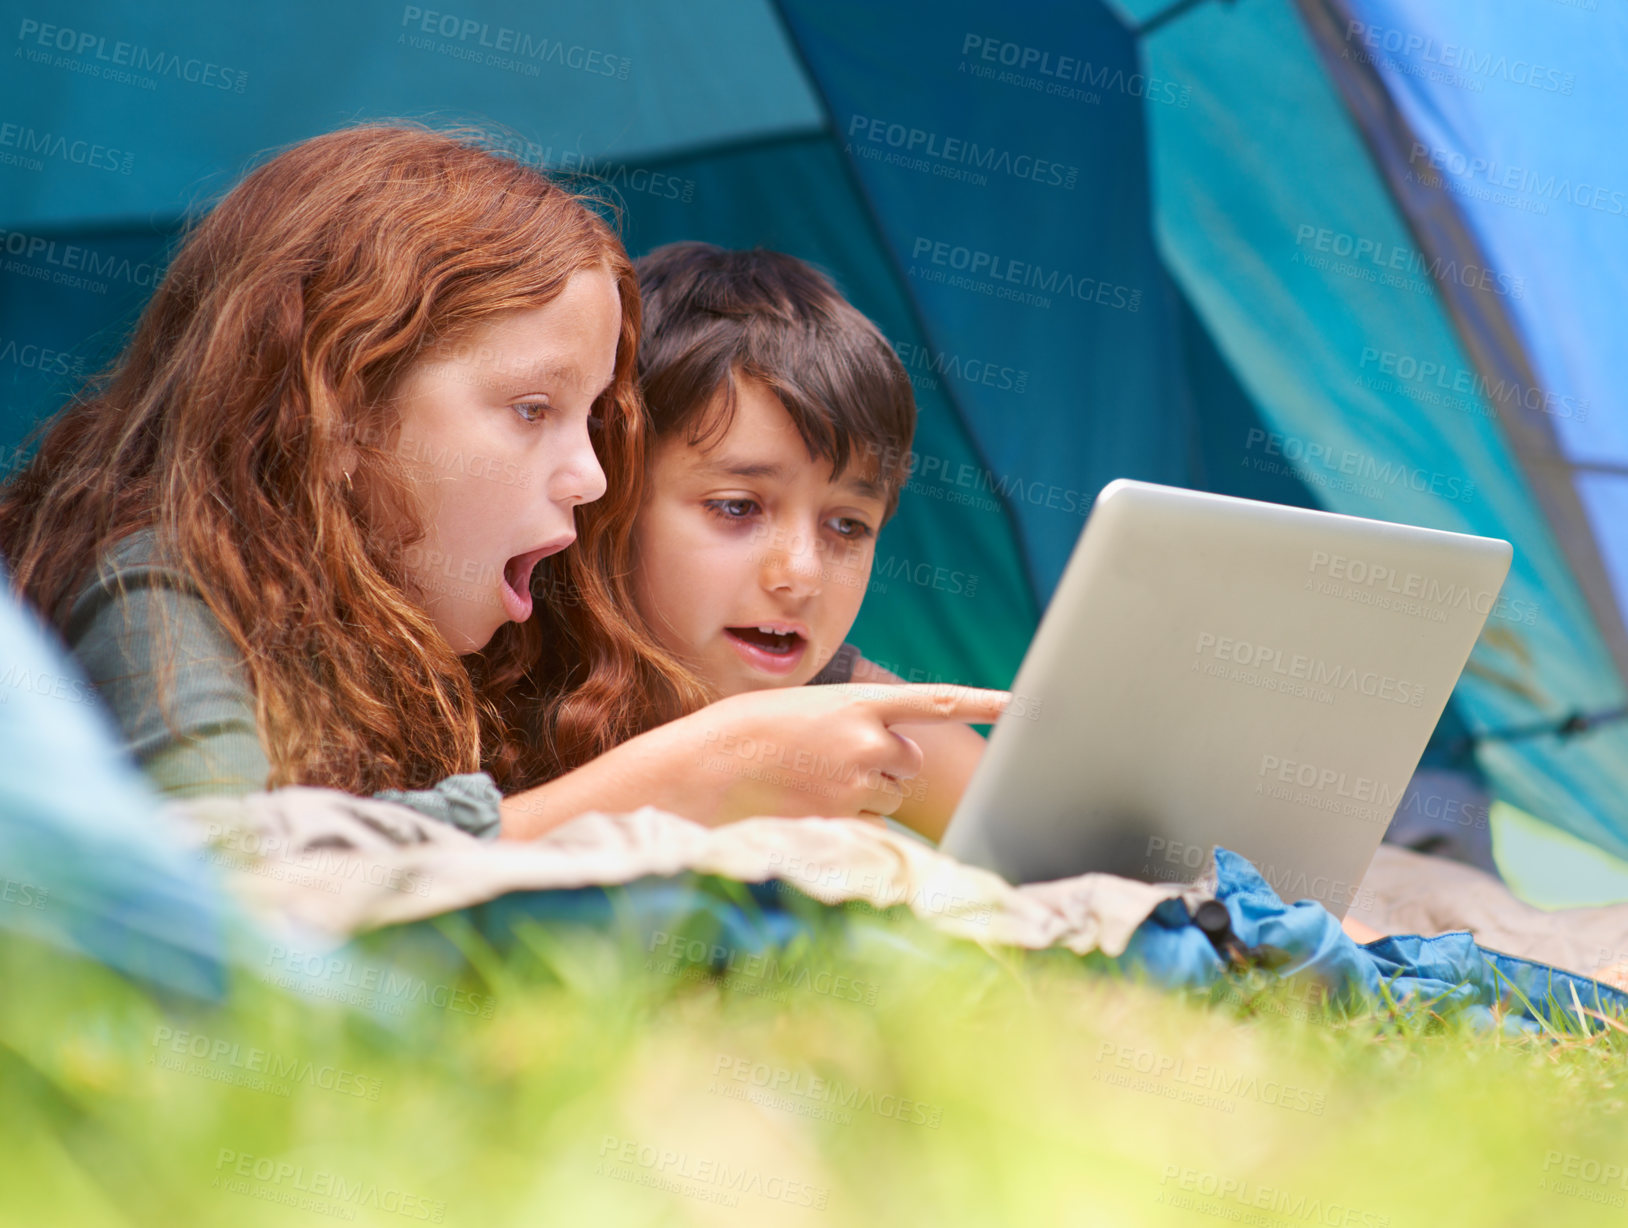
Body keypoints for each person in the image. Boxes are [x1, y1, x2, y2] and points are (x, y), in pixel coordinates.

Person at [0, 124, 1005, 842]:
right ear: (338, 404)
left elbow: (1009, 812)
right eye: (532, 410)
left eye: (594, 422)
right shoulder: (159, 580)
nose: (588, 476)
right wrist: (679, 776)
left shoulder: (468, 606)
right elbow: (224, 890)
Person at [630, 243, 988, 840]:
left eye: (848, 525)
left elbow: (1060, 847)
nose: (802, 573)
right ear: (607, 500)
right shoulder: (500, 692)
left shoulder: (843, 702)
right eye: (737, 508)